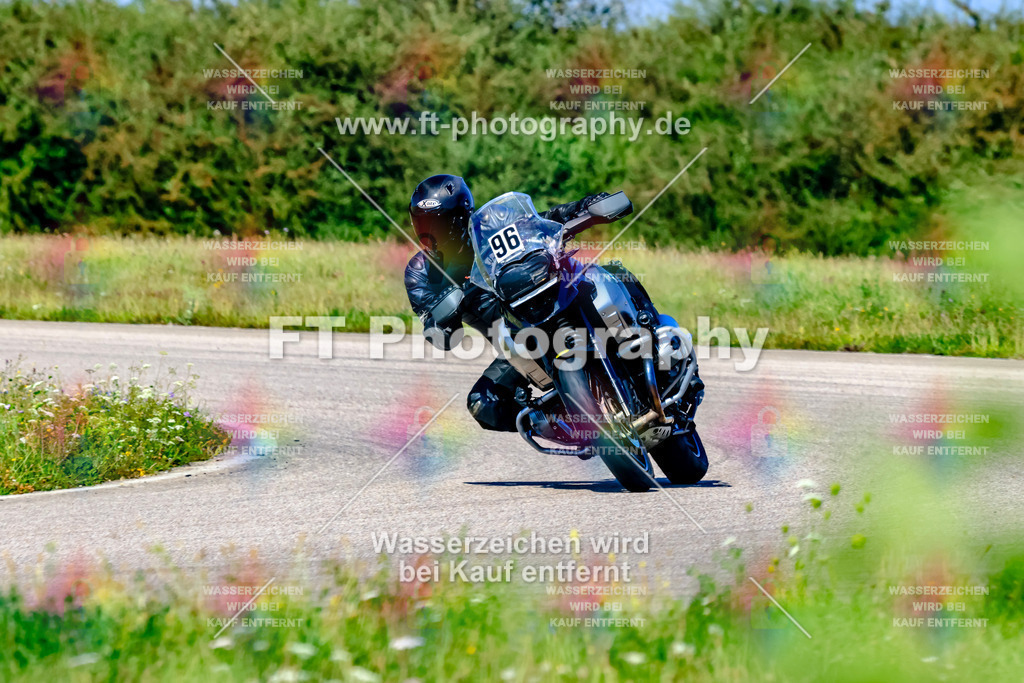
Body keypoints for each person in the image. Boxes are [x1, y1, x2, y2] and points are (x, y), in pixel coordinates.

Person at [404, 174, 610, 435]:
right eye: (421, 224)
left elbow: (544, 220)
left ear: (461, 216)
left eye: (438, 224)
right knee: (482, 403)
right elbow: (442, 335)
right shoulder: (421, 272)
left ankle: (649, 336)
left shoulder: (494, 223)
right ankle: (564, 426)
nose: (428, 233)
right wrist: (443, 320)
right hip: (517, 345)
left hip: (554, 301)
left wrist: (586, 206)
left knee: (608, 279)